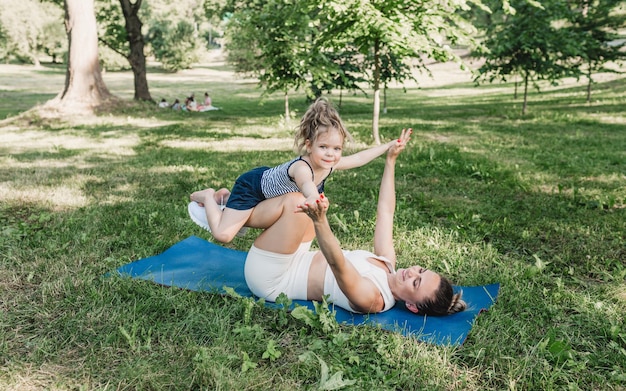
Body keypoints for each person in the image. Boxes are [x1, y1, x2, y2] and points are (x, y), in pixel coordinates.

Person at [241, 128, 466, 315]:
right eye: (421, 270)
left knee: (296, 202)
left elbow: (338, 264)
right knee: (303, 199)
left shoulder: (373, 298)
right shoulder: (387, 263)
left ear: (412, 306)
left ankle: (232, 216)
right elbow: (386, 213)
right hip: (296, 256)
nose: (412, 273)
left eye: (415, 283)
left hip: (272, 278)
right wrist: (391, 161)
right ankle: (230, 210)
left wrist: (320, 221)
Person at [188, 98, 407, 243]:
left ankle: (225, 196)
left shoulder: (329, 164)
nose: (331, 154)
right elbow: (307, 186)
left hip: (269, 193)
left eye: (337, 149)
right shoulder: (302, 168)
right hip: (252, 189)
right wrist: (315, 198)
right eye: (324, 147)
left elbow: (359, 157)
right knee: (224, 235)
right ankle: (207, 195)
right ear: (309, 145)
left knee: (237, 222)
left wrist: (388, 146)